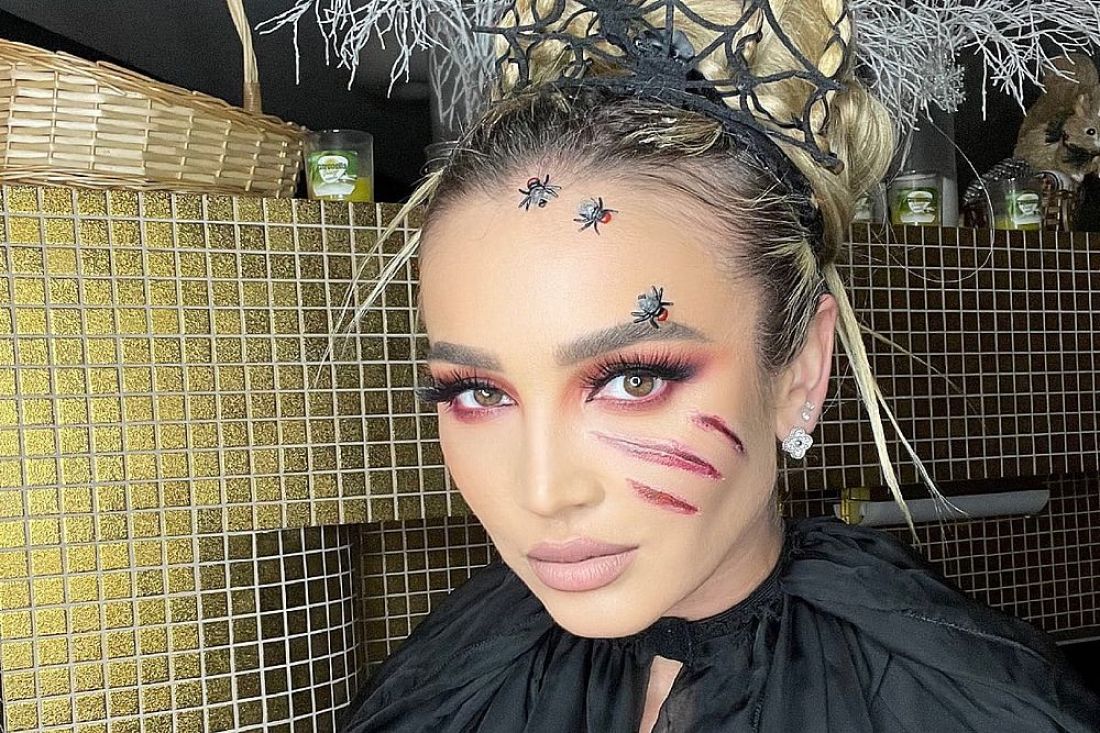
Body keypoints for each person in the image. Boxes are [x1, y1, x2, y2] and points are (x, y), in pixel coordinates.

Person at [339, 0, 1100, 730]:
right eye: (477, 392)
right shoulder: (441, 693)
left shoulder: (969, 708)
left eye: (634, 380)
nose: (543, 492)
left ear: (800, 369)